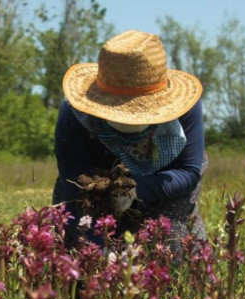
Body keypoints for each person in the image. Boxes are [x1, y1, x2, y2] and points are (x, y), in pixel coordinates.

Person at [53, 30, 207, 251]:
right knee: (74, 251)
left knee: (171, 248)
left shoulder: (186, 109)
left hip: (165, 180)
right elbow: (74, 183)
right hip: (96, 183)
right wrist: (97, 252)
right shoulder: (74, 115)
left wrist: (135, 190)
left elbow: (188, 172)